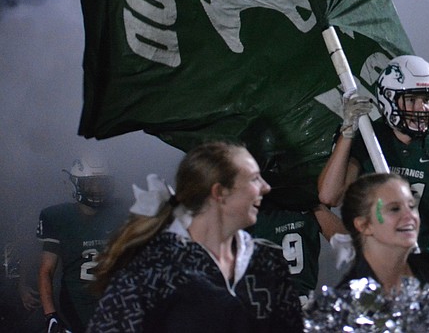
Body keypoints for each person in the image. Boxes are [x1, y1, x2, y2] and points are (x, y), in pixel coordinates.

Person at [88, 141, 303, 332]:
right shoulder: (151, 270)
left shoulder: (268, 260)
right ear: (219, 192)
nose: (266, 188)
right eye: (254, 179)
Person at [318, 55, 429, 258]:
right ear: (388, 99)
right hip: (376, 263)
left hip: (426, 258)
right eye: (412, 100)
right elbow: (329, 196)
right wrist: (347, 132)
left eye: (427, 100)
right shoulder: (367, 137)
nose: (422, 108)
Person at [36, 156, 126, 333]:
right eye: (91, 184)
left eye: (101, 183)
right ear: (76, 184)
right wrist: (50, 315)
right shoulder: (57, 217)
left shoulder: (121, 211)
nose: (97, 189)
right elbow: (46, 270)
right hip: (76, 308)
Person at [338, 173, 429, 291]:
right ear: (364, 225)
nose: (410, 216)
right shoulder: (349, 297)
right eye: (394, 209)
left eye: (411, 206)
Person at [250, 203, 345, 307]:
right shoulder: (307, 203)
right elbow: (347, 244)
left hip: (269, 306)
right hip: (297, 303)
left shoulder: (308, 203)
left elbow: (347, 244)